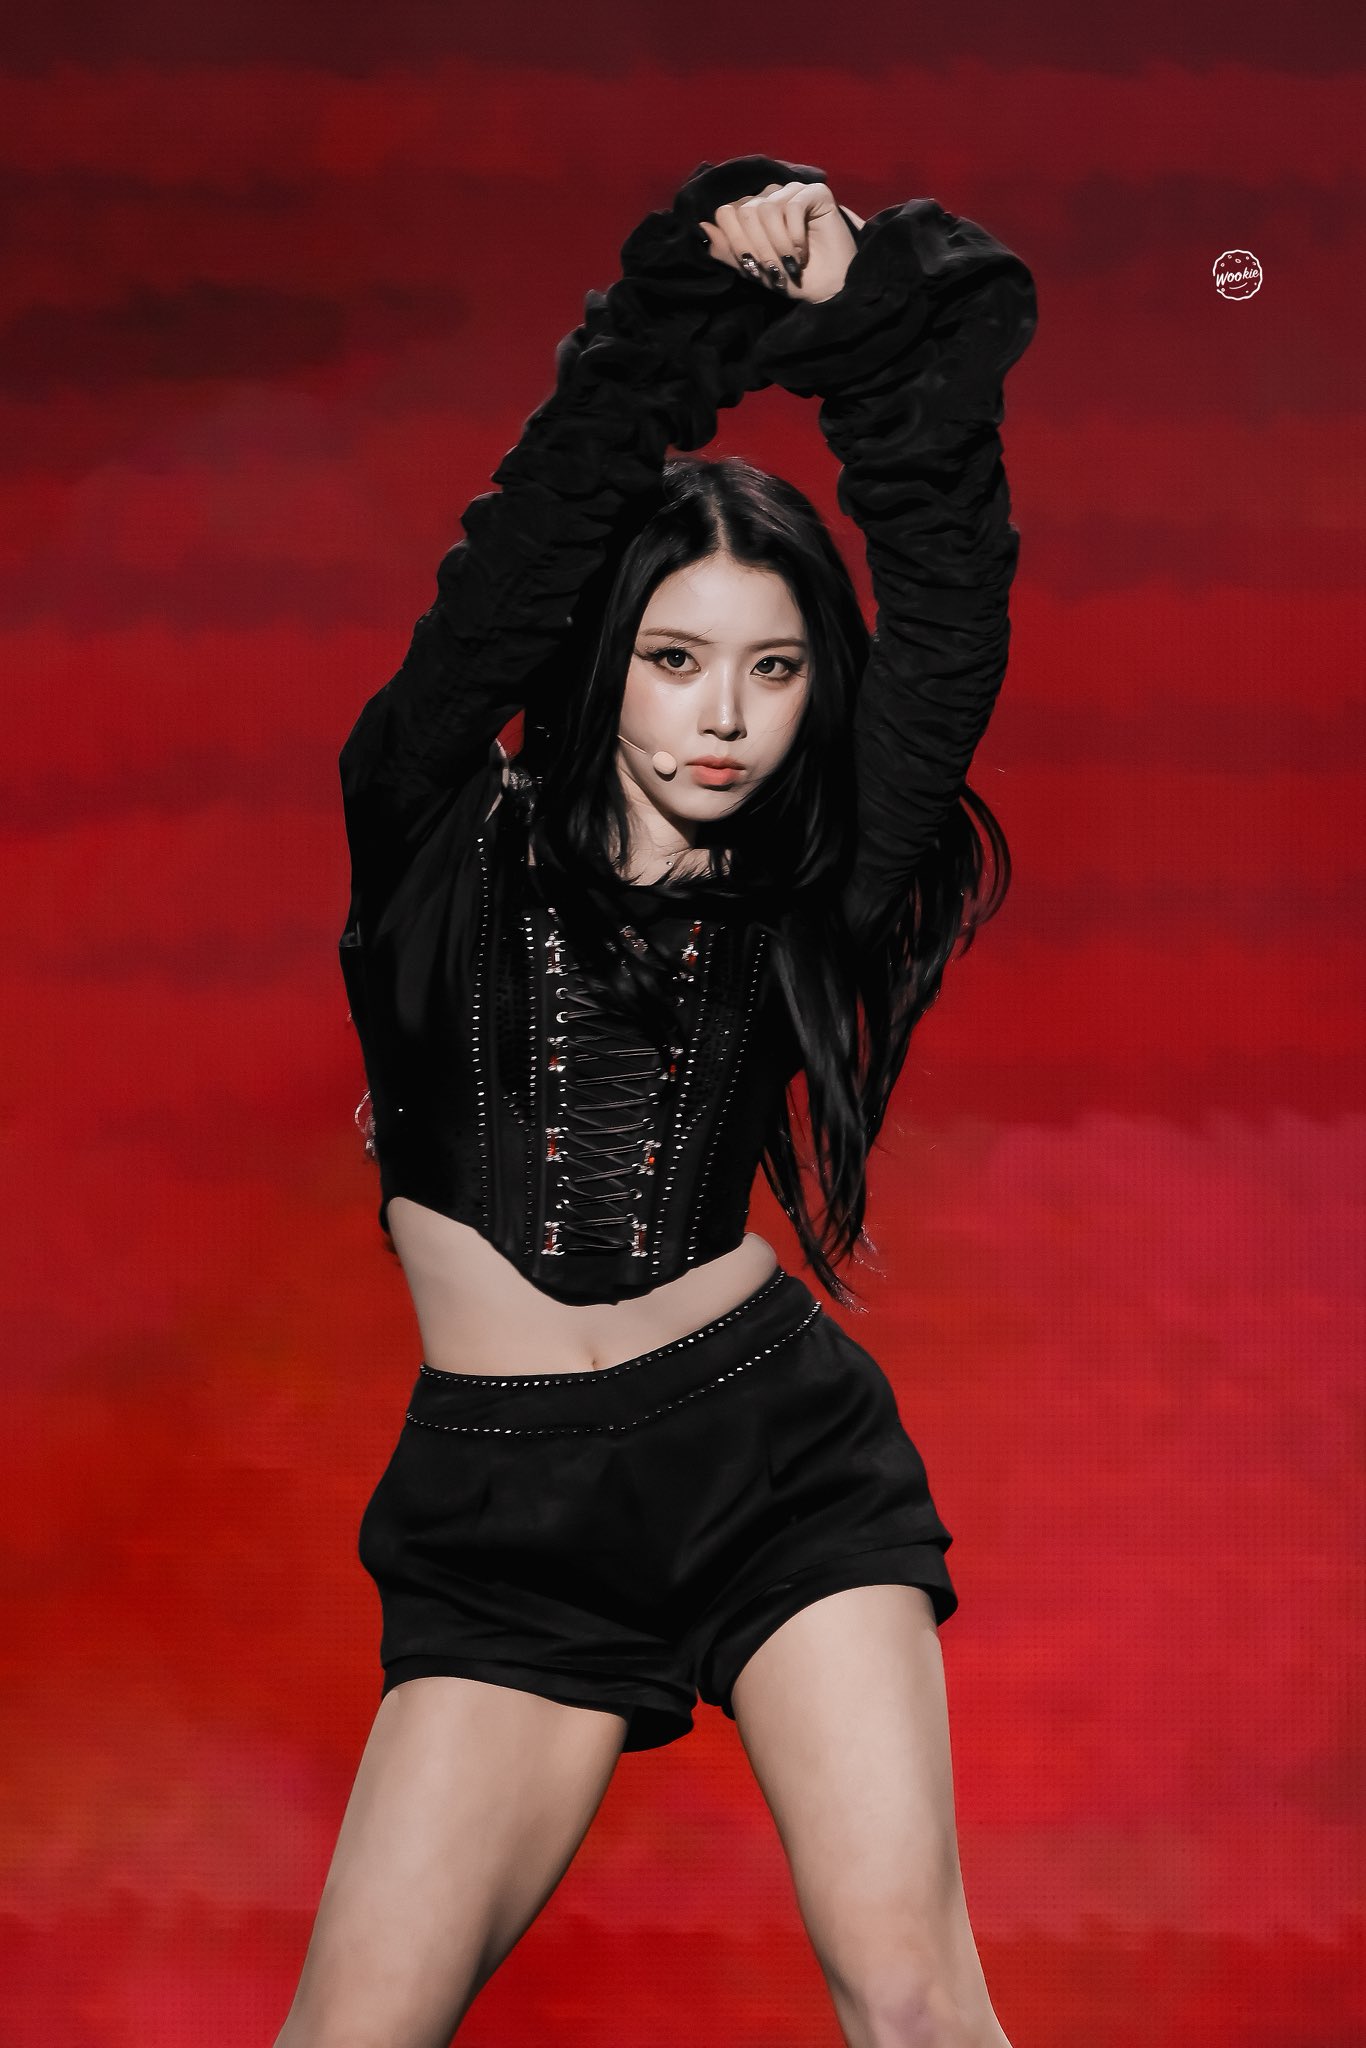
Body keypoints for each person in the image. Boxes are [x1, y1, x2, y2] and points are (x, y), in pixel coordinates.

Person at [276, 153, 1037, 2048]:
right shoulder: (431, 813)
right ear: (601, 659)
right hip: (505, 1515)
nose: (723, 716)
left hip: (770, 1461)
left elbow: (948, 603)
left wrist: (863, 319)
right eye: (675, 660)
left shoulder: (813, 883)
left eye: (772, 670)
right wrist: (699, 281)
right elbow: (542, 516)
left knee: (910, 2002)